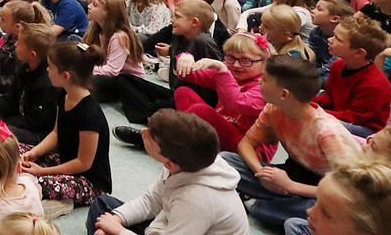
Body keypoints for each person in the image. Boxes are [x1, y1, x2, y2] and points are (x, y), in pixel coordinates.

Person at [224, 55, 362, 228]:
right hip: (293, 174)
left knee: (314, 215)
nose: (260, 82)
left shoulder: (327, 133)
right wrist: (262, 173)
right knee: (226, 160)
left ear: (284, 94)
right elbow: (246, 144)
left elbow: (349, 192)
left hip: (327, 188)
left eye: (265, 79)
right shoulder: (274, 108)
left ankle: (257, 205)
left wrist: (290, 186)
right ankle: (265, 201)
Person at [87, 109, 250, 235]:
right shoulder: (186, 163)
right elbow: (151, 201)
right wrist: (114, 220)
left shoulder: (198, 199)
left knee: (104, 222)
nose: (142, 132)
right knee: (103, 205)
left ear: (169, 163)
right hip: (171, 223)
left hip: (182, 222)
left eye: (150, 136)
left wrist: (118, 230)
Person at [21, 41, 112, 208]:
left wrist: (42, 172)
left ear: (65, 75)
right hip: (66, 162)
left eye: (50, 66)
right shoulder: (64, 96)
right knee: (16, 151)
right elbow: (55, 133)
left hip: (89, 182)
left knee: (32, 182)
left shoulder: (89, 114)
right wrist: (34, 152)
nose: (47, 70)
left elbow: (83, 163)